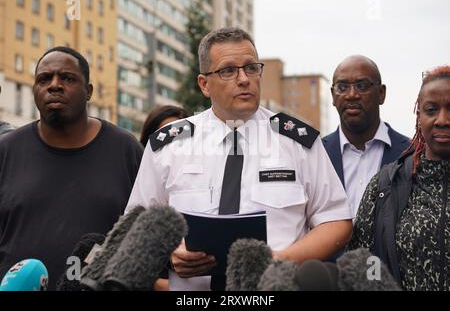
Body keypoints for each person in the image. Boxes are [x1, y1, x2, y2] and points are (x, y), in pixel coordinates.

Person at [125, 27, 352, 291]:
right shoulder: (169, 145)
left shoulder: (298, 142)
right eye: (228, 70)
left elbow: (335, 221)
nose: (243, 79)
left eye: (251, 68)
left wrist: (279, 262)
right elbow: (136, 224)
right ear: (204, 84)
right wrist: (171, 253)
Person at [0, 46, 143, 290]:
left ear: (88, 92)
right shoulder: (6, 150)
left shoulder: (126, 149)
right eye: (44, 79)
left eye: (67, 78)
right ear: (34, 89)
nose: (54, 85)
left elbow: (143, 233)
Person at [348, 65, 450, 291]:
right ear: (419, 116)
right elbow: (364, 260)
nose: (442, 120)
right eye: (431, 110)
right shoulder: (386, 185)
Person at [322, 55, 410, 218]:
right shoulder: (316, 154)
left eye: (362, 86)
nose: (352, 95)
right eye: (342, 87)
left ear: (381, 93)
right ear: (333, 96)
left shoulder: (410, 153)